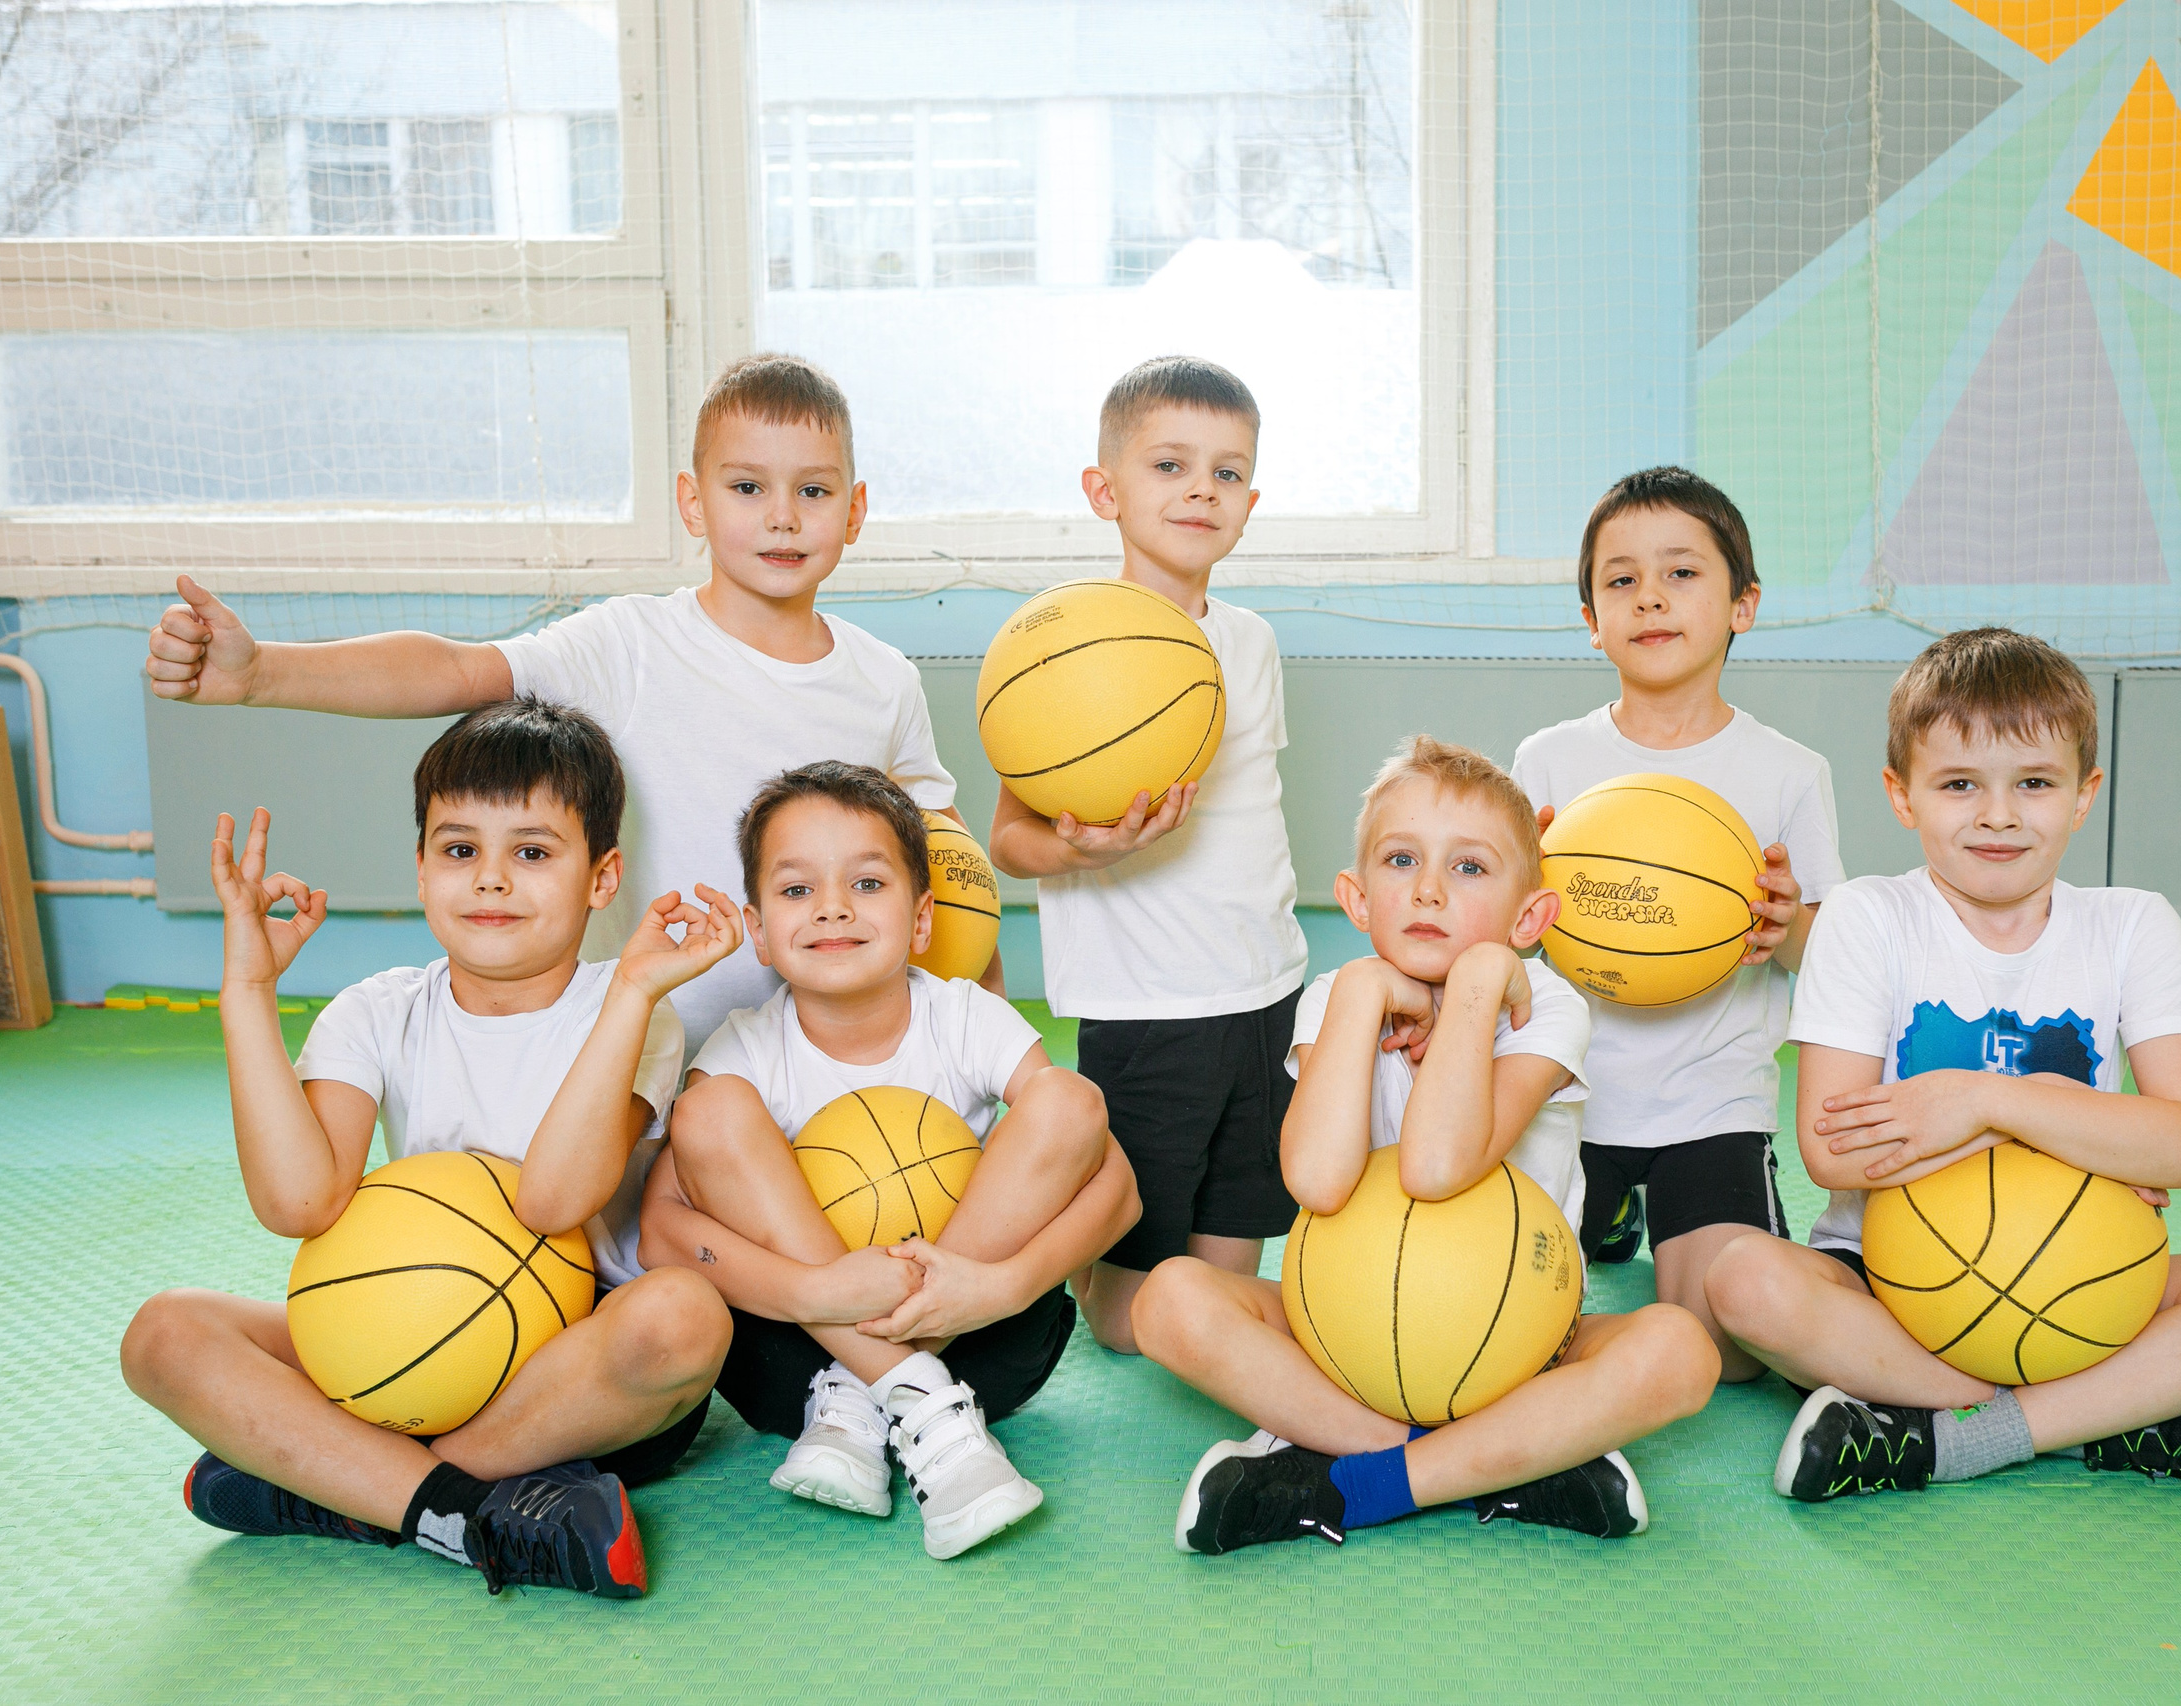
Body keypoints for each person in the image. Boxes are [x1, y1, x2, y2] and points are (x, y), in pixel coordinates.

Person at [141, 352, 993, 1053]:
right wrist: (262, 675)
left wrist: (979, 1040)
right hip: (636, 1058)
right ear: (692, 503)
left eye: (813, 491)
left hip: (825, 1059)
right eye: (745, 489)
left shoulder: (884, 680)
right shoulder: (627, 644)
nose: (781, 517)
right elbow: (455, 671)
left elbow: (949, 880)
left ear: (855, 511)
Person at [120, 699, 739, 1598]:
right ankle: (459, 1509)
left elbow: (554, 1205)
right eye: (460, 850)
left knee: (684, 1316)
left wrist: (637, 991)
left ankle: (347, 1483)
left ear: (602, 879)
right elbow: (298, 1206)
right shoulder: (375, 1009)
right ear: (420, 869)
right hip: (397, 1335)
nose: (491, 880)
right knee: (165, 1334)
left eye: (531, 852)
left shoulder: (634, 1005)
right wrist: (247, 988)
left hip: (572, 1367)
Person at [1703, 628, 2181, 1501]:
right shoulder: (1864, 918)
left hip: (2088, 1287)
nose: (1998, 815)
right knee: (1742, 1279)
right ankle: (2114, 1414)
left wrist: (1981, 1101)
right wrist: (2089, 1138)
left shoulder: (2133, 925)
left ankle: (1939, 1436)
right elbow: (1833, 1151)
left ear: (2083, 795)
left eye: (2034, 783)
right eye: (1960, 784)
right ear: (1902, 794)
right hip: (1889, 1290)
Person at [1132, 737, 1721, 1554]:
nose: (1431, 890)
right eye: (1401, 859)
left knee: (1680, 1352)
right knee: (1166, 1301)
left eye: (1471, 868)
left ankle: (1354, 1478)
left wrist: (1480, 984)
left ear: (1529, 918)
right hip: (1344, 1337)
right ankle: (1483, 1460)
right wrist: (1368, 993)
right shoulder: (1338, 997)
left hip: (1520, 1346)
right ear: (1357, 897)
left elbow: (1438, 1166)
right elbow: (1316, 1180)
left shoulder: (1545, 1008)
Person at [637, 761, 1139, 1559]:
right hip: (790, 1356)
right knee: (711, 1111)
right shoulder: (746, 1048)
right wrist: (817, 1289)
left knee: (1071, 1100)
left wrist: (1000, 1284)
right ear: (759, 930)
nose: (832, 906)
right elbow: (663, 1234)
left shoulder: (965, 1017)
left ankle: (865, 1397)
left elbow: (1117, 1188)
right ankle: (924, 1412)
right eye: (797, 890)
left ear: (921, 921)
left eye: (866, 884)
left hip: (981, 1331)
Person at [988, 357, 1306, 1355]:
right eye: (1169, 463)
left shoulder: (1251, 640)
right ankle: (1072, 1252)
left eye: (1225, 471)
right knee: (1130, 1324)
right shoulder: (1064, 641)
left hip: (1263, 993)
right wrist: (1079, 849)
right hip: (1147, 1006)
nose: (1199, 489)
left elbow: (1257, 808)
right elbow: (1007, 841)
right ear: (1105, 490)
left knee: (1222, 1280)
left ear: (1249, 503)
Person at [1512, 467, 1845, 1383]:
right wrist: (1512, 906)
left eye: (1682, 574)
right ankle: (1612, 1207)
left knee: (1726, 1352)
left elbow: (1833, 957)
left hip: (1709, 1100)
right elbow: (1500, 935)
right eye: (1619, 580)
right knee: (1514, 1326)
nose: (1648, 595)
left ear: (1744, 604)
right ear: (1591, 618)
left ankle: (1657, 1207)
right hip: (1562, 1095)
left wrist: (1788, 927)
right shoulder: (1549, 760)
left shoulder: (1787, 772)